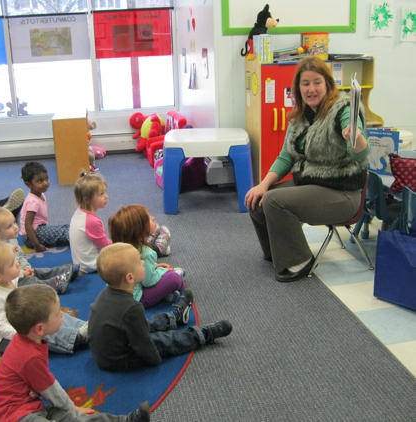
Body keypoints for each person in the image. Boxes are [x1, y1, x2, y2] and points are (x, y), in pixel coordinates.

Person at [244, 56, 370, 282]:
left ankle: (298, 261)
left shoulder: (343, 109)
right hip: (311, 183)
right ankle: (278, 253)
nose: (311, 89)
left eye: (317, 82)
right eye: (305, 83)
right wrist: (262, 185)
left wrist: (356, 137)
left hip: (341, 193)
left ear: (328, 84)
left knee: (274, 200)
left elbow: (359, 152)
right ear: (298, 88)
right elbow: (286, 156)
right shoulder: (300, 116)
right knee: (258, 198)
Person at [0, 284, 151, 422]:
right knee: (71, 414)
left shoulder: (29, 340)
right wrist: (70, 408)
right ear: (39, 328)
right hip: (13, 416)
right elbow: (49, 388)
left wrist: (71, 411)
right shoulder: (28, 355)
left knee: (76, 417)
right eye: (58, 314)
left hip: (31, 407)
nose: (62, 315)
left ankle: (125, 420)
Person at [88, 243, 232, 371]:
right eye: (139, 262)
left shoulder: (105, 294)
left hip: (107, 352)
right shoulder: (132, 308)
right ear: (130, 278)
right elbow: (143, 344)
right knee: (165, 339)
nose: (143, 262)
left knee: (147, 323)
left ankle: (175, 318)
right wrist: (154, 358)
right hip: (120, 359)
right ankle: (202, 335)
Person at [0, 242, 87, 354]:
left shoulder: (7, 280)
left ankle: (85, 327)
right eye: (12, 264)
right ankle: (75, 337)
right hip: (5, 339)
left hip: (20, 320)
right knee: (41, 330)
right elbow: (0, 327)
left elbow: (17, 280)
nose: (17, 264)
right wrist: (25, 332)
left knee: (52, 314)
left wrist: (23, 273)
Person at [0, 206, 78, 294]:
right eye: (9, 226)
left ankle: (63, 271)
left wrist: (26, 267)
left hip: (19, 271)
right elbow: (4, 273)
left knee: (39, 272)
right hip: (12, 280)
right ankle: (54, 284)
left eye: (14, 222)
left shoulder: (12, 240)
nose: (16, 227)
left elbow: (20, 255)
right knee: (30, 282)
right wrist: (21, 273)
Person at [108, 205, 184, 308]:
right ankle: (169, 287)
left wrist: (156, 267)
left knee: (156, 268)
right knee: (174, 278)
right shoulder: (146, 252)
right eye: (149, 218)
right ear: (140, 230)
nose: (153, 218)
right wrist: (163, 271)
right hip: (136, 300)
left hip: (116, 295)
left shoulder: (119, 249)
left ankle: (165, 294)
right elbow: (149, 281)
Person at [20, 161, 69, 252]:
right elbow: (28, 224)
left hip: (39, 229)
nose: (45, 183)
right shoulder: (33, 201)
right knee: (64, 233)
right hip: (31, 236)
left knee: (66, 227)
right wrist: (36, 245)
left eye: (46, 179)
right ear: (28, 184)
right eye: (40, 181)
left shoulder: (39, 193)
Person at [69, 172, 112, 273]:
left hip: (80, 262)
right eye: (101, 194)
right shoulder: (92, 221)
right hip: (91, 264)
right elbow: (106, 246)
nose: (106, 196)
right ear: (87, 200)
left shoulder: (80, 211)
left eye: (105, 192)